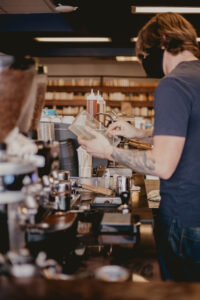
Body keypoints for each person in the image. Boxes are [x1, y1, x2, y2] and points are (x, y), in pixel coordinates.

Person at [78, 12, 200, 281]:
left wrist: (107, 150)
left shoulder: (174, 84)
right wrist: (141, 134)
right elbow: (189, 135)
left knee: (179, 292)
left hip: (186, 218)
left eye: (144, 54)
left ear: (164, 41)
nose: (144, 62)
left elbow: (162, 166)